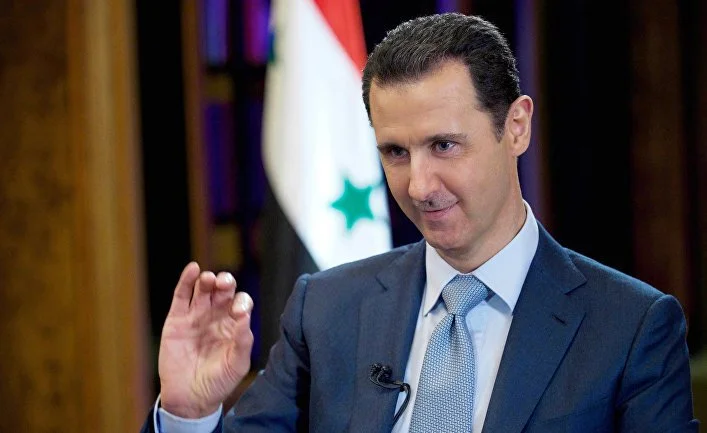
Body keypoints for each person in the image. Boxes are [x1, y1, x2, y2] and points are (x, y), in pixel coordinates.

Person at [141, 13, 698, 433]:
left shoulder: (631, 328)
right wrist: (189, 413)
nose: (419, 186)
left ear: (516, 127)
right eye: (396, 153)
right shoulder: (326, 309)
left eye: (444, 145)